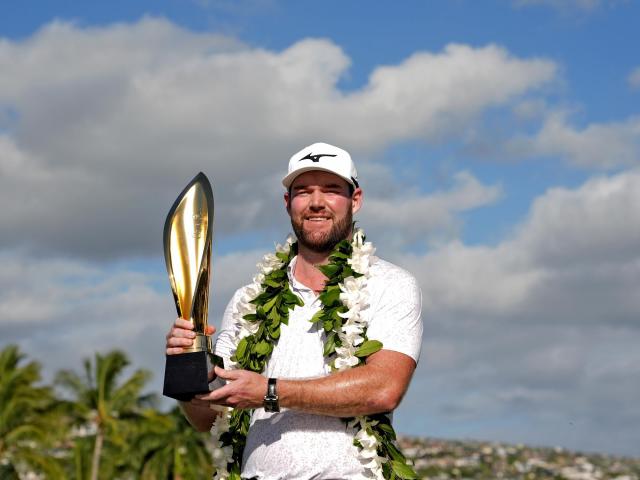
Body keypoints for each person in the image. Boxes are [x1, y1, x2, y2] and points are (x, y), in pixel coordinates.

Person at [165, 142, 423, 479]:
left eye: (331, 189)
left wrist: (270, 392)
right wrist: (188, 363)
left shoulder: (390, 284)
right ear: (288, 203)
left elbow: (383, 388)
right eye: (303, 191)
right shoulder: (249, 300)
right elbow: (204, 418)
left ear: (355, 199)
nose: (317, 202)